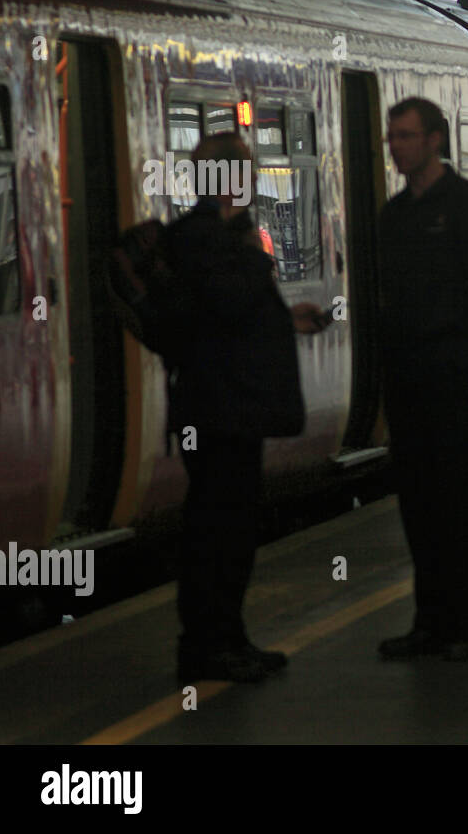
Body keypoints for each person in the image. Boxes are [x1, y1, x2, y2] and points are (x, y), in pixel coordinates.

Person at [167, 132, 330, 683]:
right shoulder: (204, 237)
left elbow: (225, 317)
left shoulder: (210, 237)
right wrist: (249, 251)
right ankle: (212, 646)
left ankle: (226, 639)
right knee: (220, 532)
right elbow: (228, 305)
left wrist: (287, 319)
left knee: (226, 529)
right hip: (220, 412)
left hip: (224, 407)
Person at [376, 97, 468, 662]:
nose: (396, 147)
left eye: (406, 136)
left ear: (435, 140)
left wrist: (459, 353)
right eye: (392, 137)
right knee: (420, 506)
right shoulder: (393, 216)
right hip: (406, 384)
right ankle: (432, 621)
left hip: (451, 384)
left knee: (464, 506)